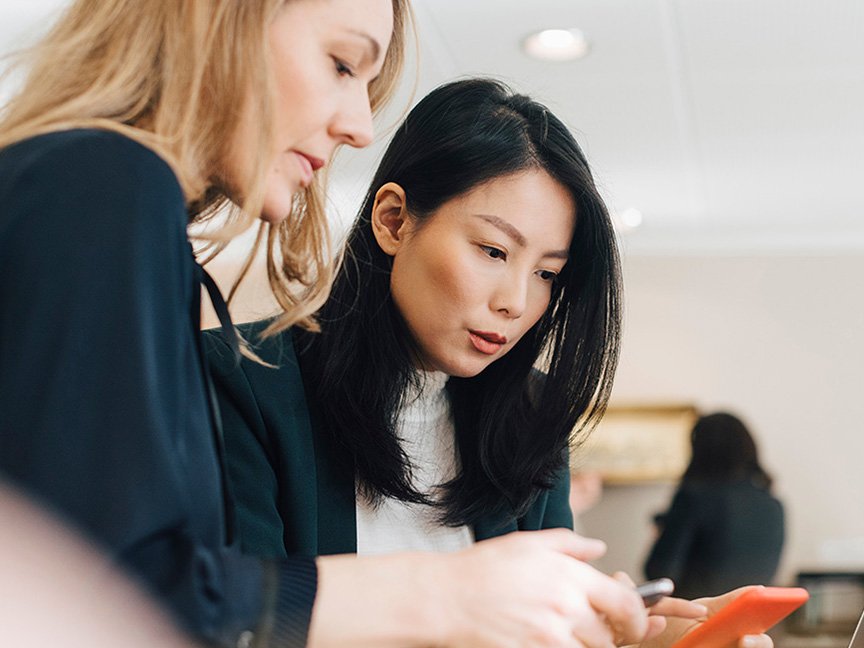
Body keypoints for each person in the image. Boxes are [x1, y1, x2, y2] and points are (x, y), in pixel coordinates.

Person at [205, 78, 773, 648]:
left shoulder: (531, 414)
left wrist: (639, 640)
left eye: (546, 273)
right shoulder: (240, 381)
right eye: (494, 251)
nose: (517, 302)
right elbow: (223, 620)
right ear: (394, 220)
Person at [644, 412, 786, 599]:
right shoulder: (774, 506)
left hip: (698, 617)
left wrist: (663, 532)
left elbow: (659, 573)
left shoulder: (693, 497)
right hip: (747, 619)